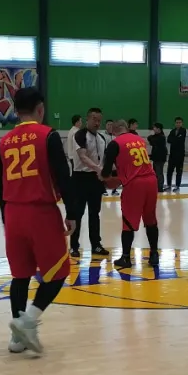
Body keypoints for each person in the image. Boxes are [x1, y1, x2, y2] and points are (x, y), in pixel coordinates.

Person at [0, 87, 77, 355]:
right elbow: (63, 177)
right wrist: (72, 213)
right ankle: (27, 321)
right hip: (40, 213)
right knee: (59, 273)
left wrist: (5, 219)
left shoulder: (4, 141)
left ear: (16, 111)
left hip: (13, 213)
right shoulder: (48, 135)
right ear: (40, 109)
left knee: (20, 276)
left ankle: (17, 340)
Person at [100, 120, 160, 270]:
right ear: (126, 128)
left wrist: (105, 178)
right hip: (151, 180)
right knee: (150, 219)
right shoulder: (139, 140)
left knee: (128, 222)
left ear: (114, 130)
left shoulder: (115, 144)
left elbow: (106, 171)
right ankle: (154, 254)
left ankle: (126, 257)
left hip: (134, 184)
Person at [70, 108, 109, 258]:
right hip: (80, 178)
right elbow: (83, 156)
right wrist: (99, 169)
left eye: (99, 120)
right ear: (87, 119)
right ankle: (74, 246)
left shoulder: (102, 138)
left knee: (95, 213)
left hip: (95, 179)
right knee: (77, 214)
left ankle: (96, 245)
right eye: (94, 119)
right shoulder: (80, 135)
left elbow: (104, 159)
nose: (97, 123)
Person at [165, 117, 186, 191]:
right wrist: (175, 139)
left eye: (179, 122)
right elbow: (168, 140)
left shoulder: (183, 131)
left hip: (180, 155)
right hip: (172, 154)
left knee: (179, 171)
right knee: (169, 170)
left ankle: (177, 185)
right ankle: (168, 185)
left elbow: (180, 140)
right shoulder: (172, 131)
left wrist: (174, 140)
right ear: (175, 123)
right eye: (177, 122)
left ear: (182, 123)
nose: (178, 124)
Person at [147, 123, 167, 193]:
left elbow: (152, 140)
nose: (153, 129)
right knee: (155, 172)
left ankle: (160, 187)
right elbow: (150, 138)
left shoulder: (161, 137)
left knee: (159, 172)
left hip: (160, 158)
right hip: (156, 158)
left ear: (159, 129)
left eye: (154, 128)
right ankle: (156, 186)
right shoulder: (156, 136)